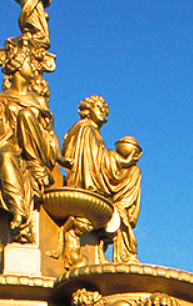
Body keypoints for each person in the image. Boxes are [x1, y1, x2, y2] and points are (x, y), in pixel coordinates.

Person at [0, 35, 59, 243]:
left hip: (39, 153)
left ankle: (35, 168)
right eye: (28, 63)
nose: (33, 67)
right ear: (17, 66)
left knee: (25, 116)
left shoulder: (39, 101)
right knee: (5, 155)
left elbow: (50, 134)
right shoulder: (0, 99)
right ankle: (18, 212)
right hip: (12, 147)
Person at [60, 95, 142, 263]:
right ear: (87, 111)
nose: (104, 113)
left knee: (134, 172)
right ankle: (119, 213)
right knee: (132, 171)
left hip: (100, 176)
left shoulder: (92, 132)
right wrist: (122, 160)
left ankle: (121, 211)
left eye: (106, 110)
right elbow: (95, 159)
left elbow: (99, 157)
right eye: (99, 108)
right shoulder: (85, 129)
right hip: (88, 182)